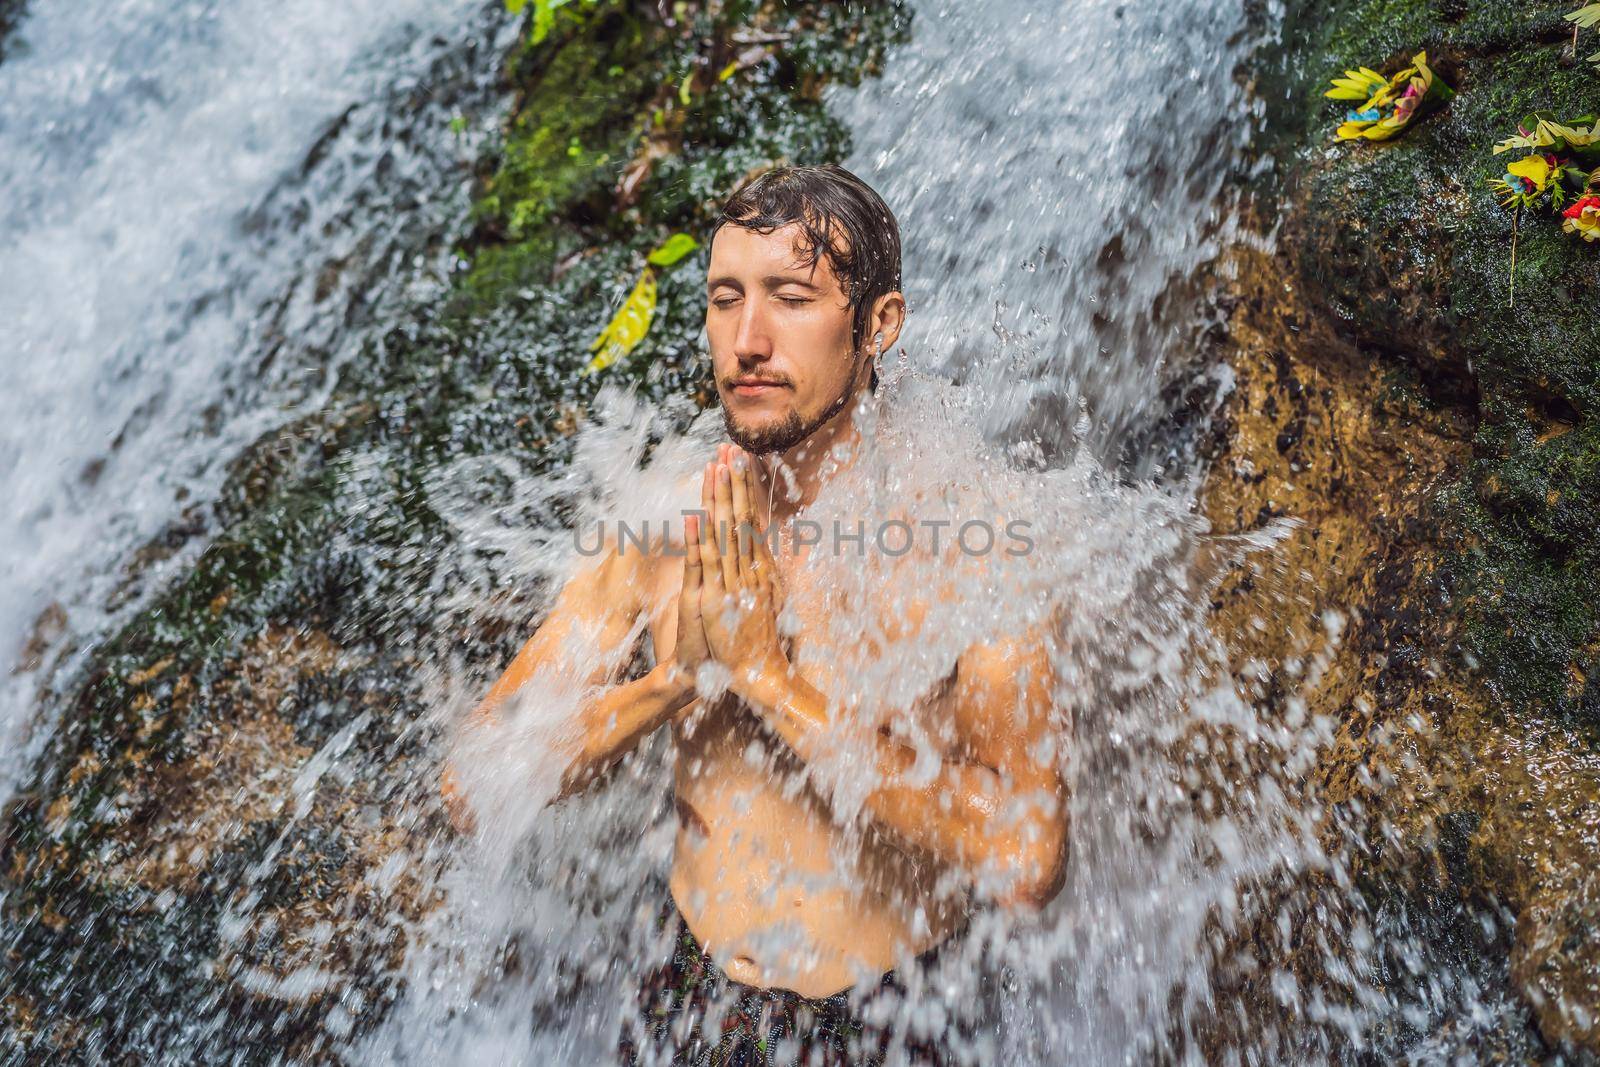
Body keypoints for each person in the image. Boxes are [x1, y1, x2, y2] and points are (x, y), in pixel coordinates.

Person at [441, 163, 1068, 1065]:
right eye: (725, 298)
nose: (747, 340)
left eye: (792, 298)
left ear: (877, 325)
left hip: (888, 1015)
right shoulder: (660, 524)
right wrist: (674, 682)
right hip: (685, 995)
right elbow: (476, 781)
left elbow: (1026, 860)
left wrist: (767, 679)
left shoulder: (974, 545)